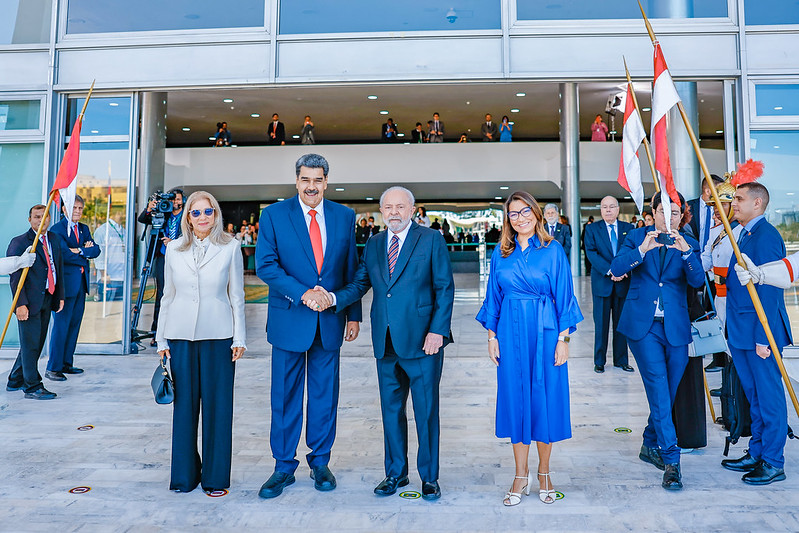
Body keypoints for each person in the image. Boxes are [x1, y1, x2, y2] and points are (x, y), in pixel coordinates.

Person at [319, 186, 454, 501]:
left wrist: (438, 331)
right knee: (391, 412)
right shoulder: (375, 243)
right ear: (382, 212)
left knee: (426, 412)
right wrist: (334, 298)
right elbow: (361, 283)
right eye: (388, 207)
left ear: (412, 209)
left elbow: (444, 288)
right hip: (385, 342)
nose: (394, 212)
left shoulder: (431, 239)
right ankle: (396, 473)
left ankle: (430, 477)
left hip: (424, 343)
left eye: (400, 206)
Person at [254, 154, 362, 499]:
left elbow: (351, 268)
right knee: (284, 397)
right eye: (305, 180)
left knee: (324, 397)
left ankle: (320, 462)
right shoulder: (273, 216)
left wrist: (354, 313)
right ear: (296, 181)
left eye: (317, 180)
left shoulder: (344, 217)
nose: (311, 186)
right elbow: (266, 266)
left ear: (326, 181)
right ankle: (283, 467)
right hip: (289, 320)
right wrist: (304, 294)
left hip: (330, 322)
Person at [476, 190, 583, 506]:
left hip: (546, 331)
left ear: (537, 214)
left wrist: (564, 340)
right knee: (516, 399)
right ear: (507, 219)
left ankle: (545, 472)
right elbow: (493, 297)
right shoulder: (501, 252)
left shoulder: (553, 250)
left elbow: (565, 297)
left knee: (545, 400)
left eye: (525, 212)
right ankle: (520, 474)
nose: (519, 218)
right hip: (510, 331)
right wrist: (492, 337)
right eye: (513, 213)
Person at [610, 191, 704, 491]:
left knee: (668, 391)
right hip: (643, 326)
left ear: (682, 216)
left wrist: (687, 253)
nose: (669, 217)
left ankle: (650, 442)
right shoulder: (637, 235)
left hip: (675, 326)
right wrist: (641, 250)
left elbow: (698, 281)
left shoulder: (688, 243)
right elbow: (616, 268)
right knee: (658, 387)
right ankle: (671, 460)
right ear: (653, 212)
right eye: (664, 210)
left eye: (675, 212)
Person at [156, 191, 246, 494]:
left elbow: (237, 297)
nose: (203, 217)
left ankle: (215, 478)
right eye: (196, 213)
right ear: (188, 218)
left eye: (208, 211)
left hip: (219, 336)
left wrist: (240, 337)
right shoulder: (174, 250)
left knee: (218, 409)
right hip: (180, 335)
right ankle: (184, 476)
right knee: (184, 409)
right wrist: (160, 339)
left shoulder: (231, 248)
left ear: (216, 215)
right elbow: (167, 295)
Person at [722, 182, 792, 485]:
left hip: (759, 334)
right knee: (754, 397)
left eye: (739, 199)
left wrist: (764, 337)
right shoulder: (745, 233)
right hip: (741, 332)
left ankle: (774, 461)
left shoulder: (765, 236)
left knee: (769, 397)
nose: (733, 203)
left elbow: (771, 289)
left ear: (758, 203)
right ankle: (758, 451)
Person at [5, 205, 64, 400]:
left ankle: (15, 378)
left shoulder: (54, 239)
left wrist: (59, 296)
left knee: (35, 343)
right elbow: (15, 277)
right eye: (37, 217)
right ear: (29, 220)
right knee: (30, 344)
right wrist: (20, 304)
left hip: (47, 297)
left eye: (45, 217)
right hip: (28, 301)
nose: (41, 220)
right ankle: (32, 386)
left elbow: (58, 269)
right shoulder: (20, 242)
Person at [46, 195, 100, 380]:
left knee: (74, 325)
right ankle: (53, 367)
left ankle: (66, 363)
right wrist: (84, 251)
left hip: (81, 286)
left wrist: (79, 250)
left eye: (80, 208)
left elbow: (96, 250)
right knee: (61, 326)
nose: (77, 211)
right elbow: (64, 255)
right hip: (65, 287)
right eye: (74, 208)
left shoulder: (84, 228)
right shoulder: (56, 230)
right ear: (64, 209)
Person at [699, 177, 742, 396]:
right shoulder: (716, 232)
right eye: (713, 205)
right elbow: (704, 262)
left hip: (737, 298)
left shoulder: (741, 232)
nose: (715, 210)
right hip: (719, 297)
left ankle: (737, 390)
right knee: (724, 344)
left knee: (736, 345)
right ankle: (729, 389)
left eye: (721, 205)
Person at [584, 196, 634, 374]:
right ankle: (599, 361)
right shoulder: (592, 229)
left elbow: (632, 251)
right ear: (601, 210)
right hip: (602, 283)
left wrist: (623, 269)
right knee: (601, 325)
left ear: (618, 209)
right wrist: (611, 271)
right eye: (604, 207)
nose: (608, 210)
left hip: (623, 283)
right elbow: (591, 253)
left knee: (622, 325)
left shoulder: (629, 228)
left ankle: (621, 360)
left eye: (612, 207)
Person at [687, 174, 727, 372]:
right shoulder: (688, 207)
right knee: (694, 307)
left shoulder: (723, 210)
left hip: (716, 269)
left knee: (715, 311)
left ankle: (719, 357)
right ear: (708, 190)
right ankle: (697, 346)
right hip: (695, 264)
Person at [138, 188, 184, 346]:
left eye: (178, 199)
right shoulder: (162, 213)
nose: (175, 202)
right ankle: (157, 332)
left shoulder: (188, 217)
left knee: (181, 294)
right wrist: (150, 208)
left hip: (182, 258)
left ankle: (178, 332)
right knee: (162, 295)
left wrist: (175, 243)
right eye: (172, 199)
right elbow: (142, 219)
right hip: (162, 258)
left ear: (182, 200)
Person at [93, 212, 126, 302]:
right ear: (112, 214)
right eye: (119, 213)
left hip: (122, 276)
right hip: (109, 278)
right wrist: (104, 275)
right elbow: (99, 254)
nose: (123, 215)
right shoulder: (103, 231)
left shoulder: (124, 230)